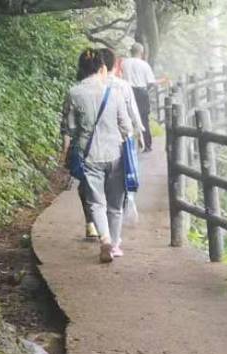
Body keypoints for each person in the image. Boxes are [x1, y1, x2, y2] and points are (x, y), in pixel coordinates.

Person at [62, 48, 138, 263]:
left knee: (96, 202)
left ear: (81, 69)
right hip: (115, 153)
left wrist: (68, 148)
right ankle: (113, 245)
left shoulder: (74, 93)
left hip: (89, 155)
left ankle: (104, 238)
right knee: (116, 204)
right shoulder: (114, 92)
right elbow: (126, 126)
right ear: (102, 68)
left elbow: (70, 128)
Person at [118, 43, 161, 151]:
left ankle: (129, 145)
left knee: (127, 117)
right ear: (141, 53)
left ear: (130, 52)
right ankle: (147, 145)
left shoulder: (124, 63)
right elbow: (151, 82)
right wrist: (147, 89)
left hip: (127, 91)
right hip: (141, 92)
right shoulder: (144, 65)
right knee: (144, 118)